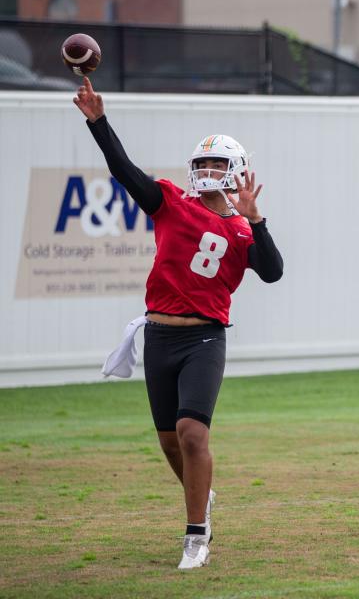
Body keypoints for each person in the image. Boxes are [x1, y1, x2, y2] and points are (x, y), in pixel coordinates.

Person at [73, 77, 284, 568]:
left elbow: (273, 272)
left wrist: (257, 220)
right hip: (159, 334)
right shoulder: (170, 202)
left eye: (218, 163)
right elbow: (123, 170)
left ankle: (195, 535)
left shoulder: (240, 227)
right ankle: (201, 495)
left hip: (205, 337)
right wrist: (98, 122)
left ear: (237, 172)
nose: (208, 170)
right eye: (203, 163)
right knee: (169, 440)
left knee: (192, 432)